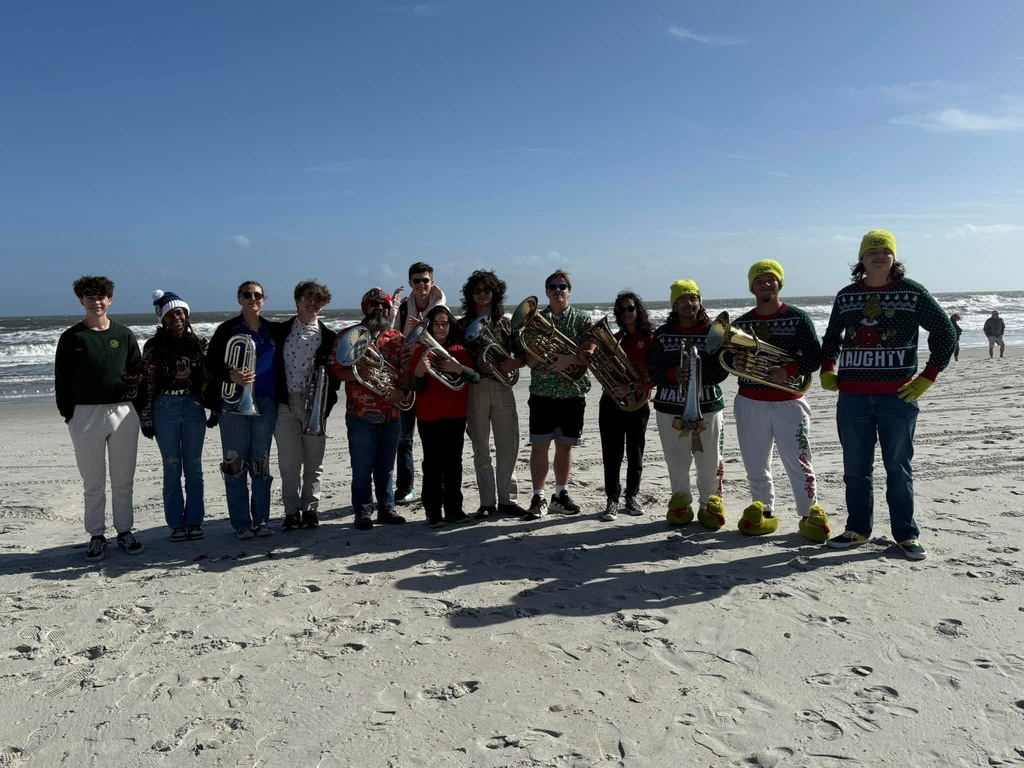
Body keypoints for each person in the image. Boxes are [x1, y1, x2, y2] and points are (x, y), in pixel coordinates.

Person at [821, 229, 956, 560]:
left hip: (898, 397)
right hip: (851, 397)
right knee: (855, 468)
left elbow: (945, 331)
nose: (879, 255)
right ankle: (857, 529)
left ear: (894, 258)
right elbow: (831, 336)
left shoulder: (912, 293)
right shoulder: (847, 295)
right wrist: (827, 366)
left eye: (885, 250)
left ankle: (906, 535)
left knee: (898, 466)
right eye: (872, 251)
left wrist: (929, 375)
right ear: (861, 259)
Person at [729, 260, 830, 542]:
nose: (765, 284)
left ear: (779, 283)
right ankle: (764, 512)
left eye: (770, 279)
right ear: (752, 287)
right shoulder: (741, 324)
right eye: (759, 280)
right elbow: (731, 359)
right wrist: (739, 358)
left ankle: (809, 513)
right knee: (755, 464)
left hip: (789, 401)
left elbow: (813, 356)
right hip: (750, 402)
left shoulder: (798, 318)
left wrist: (788, 371)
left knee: (800, 461)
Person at [55, 275, 145, 561]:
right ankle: (96, 534)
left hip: (122, 412)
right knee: (92, 482)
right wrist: (70, 414)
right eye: (90, 297)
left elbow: (138, 373)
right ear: (81, 301)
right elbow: (62, 380)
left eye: (101, 297)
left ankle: (125, 530)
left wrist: (139, 411)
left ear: (110, 300)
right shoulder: (72, 338)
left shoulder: (124, 334)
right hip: (85, 414)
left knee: (123, 479)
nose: (96, 302)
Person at [648, 280, 729, 529]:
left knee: (710, 458)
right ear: (674, 304)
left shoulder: (714, 332)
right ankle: (681, 501)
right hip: (670, 408)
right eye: (682, 299)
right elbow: (653, 369)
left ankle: (710, 503)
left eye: (693, 298)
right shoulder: (661, 334)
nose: (688, 304)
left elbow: (724, 367)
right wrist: (674, 375)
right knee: (676, 459)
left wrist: (699, 373)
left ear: (700, 302)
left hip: (708, 405)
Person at [329, 288, 411, 531]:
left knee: (386, 468)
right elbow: (333, 369)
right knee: (362, 469)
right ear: (365, 307)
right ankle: (363, 512)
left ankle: (386, 509)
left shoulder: (397, 338)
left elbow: (406, 372)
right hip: (361, 415)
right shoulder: (348, 336)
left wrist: (402, 391)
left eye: (384, 305)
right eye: (373, 304)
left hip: (392, 413)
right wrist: (357, 374)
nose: (379, 309)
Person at [206, 280, 278, 539]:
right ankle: (240, 523)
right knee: (235, 463)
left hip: (266, 403)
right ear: (239, 299)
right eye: (247, 295)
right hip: (233, 403)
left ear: (264, 300)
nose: (252, 299)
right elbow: (209, 363)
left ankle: (261, 520)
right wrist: (231, 375)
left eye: (257, 295)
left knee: (261, 463)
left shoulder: (273, 330)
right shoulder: (228, 329)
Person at [138, 289, 210, 542]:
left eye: (180, 313)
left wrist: (214, 409)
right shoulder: (152, 346)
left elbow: (207, 379)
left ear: (187, 315)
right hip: (164, 407)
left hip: (193, 407)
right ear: (163, 319)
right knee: (171, 467)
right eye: (170, 315)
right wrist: (146, 419)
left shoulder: (199, 344)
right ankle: (176, 524)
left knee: (194, 467)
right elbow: (146, 384)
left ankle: (194, 521)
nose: (175, 318)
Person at [522, 270, 595, 519]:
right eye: (552, 287)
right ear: (546, 292)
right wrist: (537, 349)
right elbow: (530, 363)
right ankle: (538, 497)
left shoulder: (583, 320)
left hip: (572, 392)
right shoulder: (533, 322)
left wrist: (569, 359)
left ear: (569, 290)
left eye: (562, 286)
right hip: (543, 391)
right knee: (539, 447)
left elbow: (591, 354)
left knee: (565, 447)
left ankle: (560, 494)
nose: (557, 290)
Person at [271, 280, 341, 531]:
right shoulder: (280, 331)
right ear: (297, 300)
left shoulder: (330, 336)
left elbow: (334, 376)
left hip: (315, 407)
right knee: (289, 464)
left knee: (314, 463)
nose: (312, 303)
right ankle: (291, 512)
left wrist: (325, 406)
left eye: (318, 300)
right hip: (286, 403)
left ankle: (310, 510)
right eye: (307, 298)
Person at [458, 270, 526, 519]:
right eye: (477, 290)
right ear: (470, 295)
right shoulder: (462, 325)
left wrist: (512, 364)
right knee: (481, 448)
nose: (482, 295)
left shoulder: (506, 323)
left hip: (502, 387)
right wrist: (476, 366)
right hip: (475, 388)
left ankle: (508, 500)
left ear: (495, 293)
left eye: (487, 290)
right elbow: (457, 358)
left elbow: (522, 356)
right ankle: (487, 502)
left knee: (508, 445)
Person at [410, 305, 481, 527]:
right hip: (429, 417)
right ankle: (433, 513)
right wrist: (420, 371)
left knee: (453, 464)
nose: (441, 328)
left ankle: (454, 510)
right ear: (429, 326)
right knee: (432, 465)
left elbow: (475, 377)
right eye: (437, 324)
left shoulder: (459, 350)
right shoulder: (421, 351)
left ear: (450, 326)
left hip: (455, 415)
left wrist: (457, 368)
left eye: (445, 323)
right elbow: (416, 387)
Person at [392, 262, 447, 505]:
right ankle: (405, 488)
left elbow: (447, 341)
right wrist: (397, 318)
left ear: (432, 283)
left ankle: (437, 488)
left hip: (433, 378)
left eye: (425, 280)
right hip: (407, 377)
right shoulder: (403, 309)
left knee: (434, 438)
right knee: (403, 438)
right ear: (410, 283)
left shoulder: (442, 309)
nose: (421, 285)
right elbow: (393, 341)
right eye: (416, 281)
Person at [598, 291, 655, 521]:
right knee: (611, 455)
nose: (626, 313)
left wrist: (631, 387)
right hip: (611, 403)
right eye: (621, 311)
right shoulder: (614, 339)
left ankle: (631, 496)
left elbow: (655, 374)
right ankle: (612, 499)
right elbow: (602, 368)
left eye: (630, 308)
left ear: (637, 310)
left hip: (638, 404)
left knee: (635, 453)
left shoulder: (650, 339)